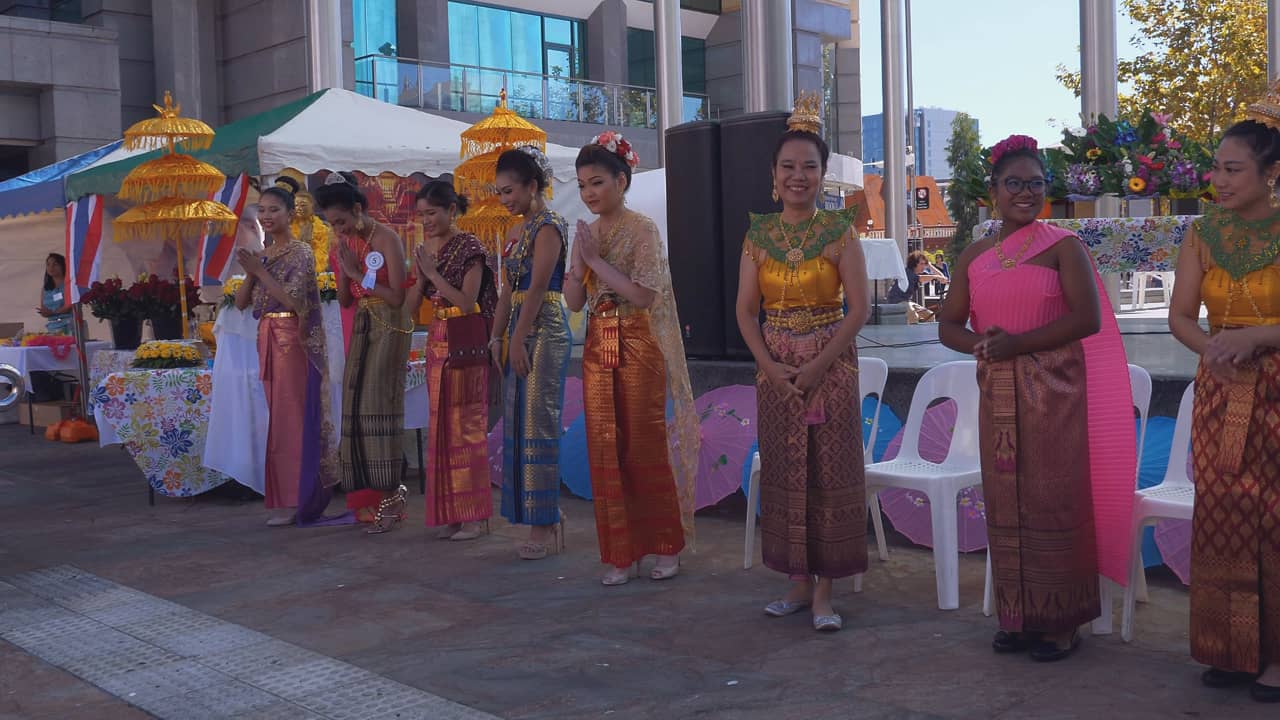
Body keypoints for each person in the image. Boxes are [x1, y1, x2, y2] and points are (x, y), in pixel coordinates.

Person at [938, 134, 1135, 662]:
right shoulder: (976, 254)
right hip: (998, 392)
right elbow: (948, 325)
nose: (1025, 193)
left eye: (1035, 184)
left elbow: (1086, 318)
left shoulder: (1063, 246)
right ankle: (1018, 615)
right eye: (1014, 183)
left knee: (1053, 497)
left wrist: (1018, 344)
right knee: (1005, 501)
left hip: (1056, 390)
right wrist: (981, 346)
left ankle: (1061, 622)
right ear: (992, 190)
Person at [734, 94, 869, 632]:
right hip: (776, 370)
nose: (798, 176)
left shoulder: (841, 231)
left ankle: (825, 593)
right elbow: (746, 311)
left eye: (809, 167)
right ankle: (796, 581)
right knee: (786, 471)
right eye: (788, 167)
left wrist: (817, 366)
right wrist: (769, 366)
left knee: (828, 474)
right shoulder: (758, 234)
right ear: (773, 175)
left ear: (822, 174)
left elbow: (858, 310)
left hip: (831, 366)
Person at [1168, 101, 1280, 703]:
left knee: (1275, 521)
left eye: (1234, 170)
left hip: (1277, 389)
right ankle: (1231, 650)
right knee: (1223, 515)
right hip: (1221, 389)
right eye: (1216, 168)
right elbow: (1180, 316)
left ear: (1270, 174)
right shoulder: (1202, 232)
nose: (1219, 180)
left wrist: (1253, 338)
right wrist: (1213, 348)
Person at [564, 132, 699, 586]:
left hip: (638, 341)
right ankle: (621, 552)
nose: (589, 193)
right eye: (582, 185)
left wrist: (594, 261)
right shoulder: (585, 234)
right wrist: (579, 264)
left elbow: (643, 296)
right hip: (597, 345)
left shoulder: (643, 229)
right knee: (604, 447)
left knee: (644, 445)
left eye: (597, 182)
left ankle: (664, 544)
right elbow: (574, 302)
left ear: (622, 180)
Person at [233, 184, 341, 527]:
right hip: (267, 338)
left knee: (293, 419)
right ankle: (285, 497)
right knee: (277, 420)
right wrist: (253, 271)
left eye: (273, 210)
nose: (266, 216)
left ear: (289, 214)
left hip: (292, 342)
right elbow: (240, 303)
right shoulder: (263, 254)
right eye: (261, 210)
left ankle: (303, 498)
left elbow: (296, 303)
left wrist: (260, 271)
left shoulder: (300, 252)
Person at [313, 171, 412, 533]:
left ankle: (392, 499)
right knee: (354, 406)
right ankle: (368, 500)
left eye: (340, 221)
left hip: (391, 323)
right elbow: (343, 298)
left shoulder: (387, 239)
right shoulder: (346, 244)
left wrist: (355, 273)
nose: (338, 229)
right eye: (332, 224)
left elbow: (398, 297)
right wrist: (343, 269)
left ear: (357, 209)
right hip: (363, 322)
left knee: (377, 406)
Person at [404, 180, 497, 541]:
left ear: (452, 210)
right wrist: (420, 276)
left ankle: (474, 516)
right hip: (438, 341)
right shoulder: (429, 250)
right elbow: (411, 310)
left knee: (467, 428)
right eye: (421, 215)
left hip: (466, 341)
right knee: (441, 428)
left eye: (432, 213)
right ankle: (453, 514)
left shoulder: (470, 246)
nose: (426, 221)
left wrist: (432, 274)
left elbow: (467, 300)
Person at [491, 146, 572, 560]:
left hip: (545, 326)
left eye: (510, 191)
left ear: (532, 186)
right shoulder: (513, 230)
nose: (505, 199)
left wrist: (518, 337)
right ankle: (538, 516)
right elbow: (508, 289)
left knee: (539, 422)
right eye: (500, 192)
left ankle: (546, 521)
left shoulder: (549, 227)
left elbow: (539, 287)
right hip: (520, 327)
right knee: (519, 423)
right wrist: (496, 336)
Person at [274, 175, 332, 274]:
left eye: (303, 205)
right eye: (296, 205)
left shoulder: (322, 227)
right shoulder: (286, 226)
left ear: (312, 206)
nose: (299, 208)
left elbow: (322, 254)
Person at [886, 250, 949, 323]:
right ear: (914, 264)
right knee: (913, 316)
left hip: (907, 301)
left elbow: (943, 278)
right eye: (921, 264)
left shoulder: (920, 272)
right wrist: (935, 277)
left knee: (930, 315)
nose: (923, 266)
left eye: (924, 264)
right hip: (897, 301)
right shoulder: (908, 272)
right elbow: (921, 278)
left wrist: (930, 266)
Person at [36, 253, 72, 334]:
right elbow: (44, 309)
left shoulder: (70, 285)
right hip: (53, 327)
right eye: (48, 264)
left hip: (70, 325)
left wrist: (53, 313)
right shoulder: (46, 288)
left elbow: (71, 305)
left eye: (55, 264)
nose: (51, 267)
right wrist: (44, 312)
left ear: (63, 265)